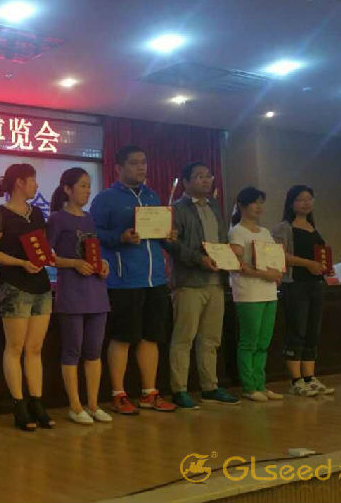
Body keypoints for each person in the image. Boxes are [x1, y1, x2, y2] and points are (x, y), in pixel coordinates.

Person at [89, 145, 177, 414]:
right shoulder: (106, 199)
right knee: (123, 337)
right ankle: (118, 394)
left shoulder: (152, 196)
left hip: (155, 279)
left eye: (144, 162)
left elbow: (158, 235)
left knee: (151, 337)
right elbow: (92, 234)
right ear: (118, 167)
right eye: (134, 163)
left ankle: (149, 393)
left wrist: (168, 235)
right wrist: (120, 237)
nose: (141, 167)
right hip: (124, 278)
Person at [0, 163, 55, 431]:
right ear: (19, 183)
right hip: (15, 285)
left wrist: (49, 258)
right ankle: (18, 404)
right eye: (32, 180)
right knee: (15, 347)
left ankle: (37, 401)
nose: (36, 185)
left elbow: (42, 246)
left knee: (35, 348)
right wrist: (21, 263)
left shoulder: (36, 213)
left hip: (41, 285)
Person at [165, 162, 239, 409]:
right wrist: (199, 259)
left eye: (208, 176)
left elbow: (221, 240)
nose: (206, 180)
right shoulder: (177, 209)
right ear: (186, 182)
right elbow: (171, 244)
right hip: (189, 282)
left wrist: (228, 257)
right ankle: (179, 389)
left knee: (210, 339)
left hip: (215, 282)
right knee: (183, 338)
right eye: (199, 176)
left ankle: (210, 387)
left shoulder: (215, 206)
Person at [47, 167, 113, 425]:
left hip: (96, 291)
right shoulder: (57, 219)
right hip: (72, 292)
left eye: (88, 185)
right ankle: (75, 406)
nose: (87, 190)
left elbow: (94, 251)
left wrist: (103, 264)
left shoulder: (89, 218)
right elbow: (46, 255)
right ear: (67, 189)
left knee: (94, 350)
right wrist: (72, 263)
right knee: (72, 349)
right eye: (82, 185)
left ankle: (93, 404)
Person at [272, 185, 333, 397]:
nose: (306, 203)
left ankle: (309, 377)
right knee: (296, 330)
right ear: (291, 203)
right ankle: (295, 380)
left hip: (315, 284)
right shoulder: (283, 228)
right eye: (300, 199)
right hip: (295, 283)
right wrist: (308, 263)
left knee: (312, 331)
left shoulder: (313, 228)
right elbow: (280, 255)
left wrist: (324, 267)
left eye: (309, 199)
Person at [228, 187, 284, 402]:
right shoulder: (237, 232)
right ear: (241, 205)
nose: (259, 206)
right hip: (248, 292)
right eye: (254, 202)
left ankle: (261, 383)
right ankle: (249, 386)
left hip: (269, 291)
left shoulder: (265, 232)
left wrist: (277, 271)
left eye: (261, 202)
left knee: (263, 343)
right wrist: (264, 274)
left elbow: (273, 258)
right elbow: (237, 265)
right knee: (249, 341)